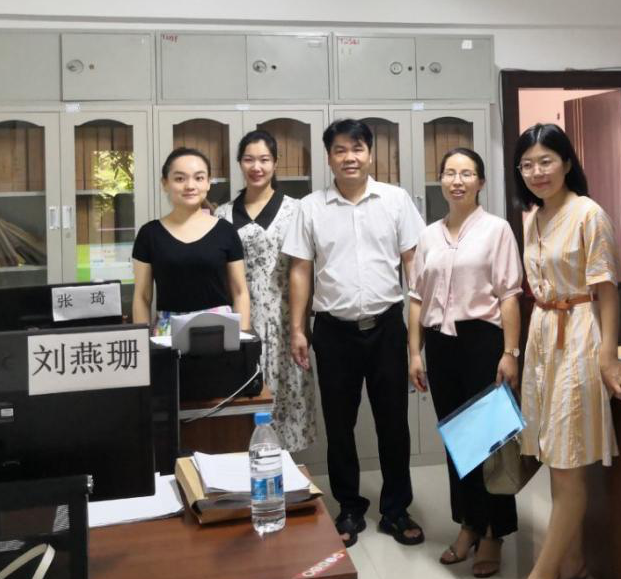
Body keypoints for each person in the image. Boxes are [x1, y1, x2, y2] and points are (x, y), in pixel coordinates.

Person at [497, 123, 621, 579]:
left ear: (566, 162)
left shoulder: (589, 213)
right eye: (527, 164)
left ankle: (542, 578)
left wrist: (607, 355)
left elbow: (606, 290)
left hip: (579, 334)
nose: (537, 172)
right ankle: (574, 560)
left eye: (546, 161)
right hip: (543, 335)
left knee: (568, 460)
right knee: (553, 455)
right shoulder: (532, 218)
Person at [282, 118, 426, 548]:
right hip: (333, 331)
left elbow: (414, 266)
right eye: (340, 150)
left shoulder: (396, 200)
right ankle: (348, 507)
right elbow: (300, 270)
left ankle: (396, 509)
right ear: (328, 157)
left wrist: (417, 337)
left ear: (370, 154)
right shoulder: (310, 207)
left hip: (386, 327)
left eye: (357, 148)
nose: (350, 157)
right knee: (339, 425)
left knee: (394, 423)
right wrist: (297, 329)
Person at [408, 147, 523, 579]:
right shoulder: (428, 236)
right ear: (440, 180)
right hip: (441, 345)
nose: (457, 181)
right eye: (450, 173)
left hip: (483, 342)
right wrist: (414, 352)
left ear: (481, 182)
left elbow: (509, 295)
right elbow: (416, 299)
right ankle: (469, 524)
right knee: (457, 441)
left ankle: (495, 531)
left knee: (490, 442)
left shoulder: (496, 230)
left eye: (467, 173)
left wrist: (510, 352)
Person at [213, 129, 315, 452]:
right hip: (240, 323)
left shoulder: (296, 210)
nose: (256, 167)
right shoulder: (222, 214)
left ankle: (285, 477)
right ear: (239, 163)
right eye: (249, 159)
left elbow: (304, 271)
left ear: (275, 163)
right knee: (241, 407)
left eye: (264, 159)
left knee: (285, 401)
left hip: (286, 323)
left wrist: (300, 328)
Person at [132, 147, 250, 333]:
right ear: (165, 183)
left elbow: (240, 293)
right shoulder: (149, 234)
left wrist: (242, 339)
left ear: (208, 183)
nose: (190, 185)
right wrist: (142, 342)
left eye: (199, 178)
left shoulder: (226, 231)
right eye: (180, 179)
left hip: (220, 332)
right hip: (168, 333)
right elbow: (142, 297)